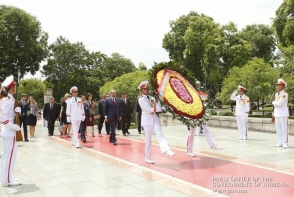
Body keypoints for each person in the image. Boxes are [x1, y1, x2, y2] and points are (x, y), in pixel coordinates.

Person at [138, 81, 175, 164]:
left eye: (148, 89)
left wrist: (162, 107)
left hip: (155, 119)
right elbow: (149, 109)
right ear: (142, 90)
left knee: (160, 134)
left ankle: (166, 150)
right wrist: (160, 108)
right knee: (148, 140)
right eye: (145, 89)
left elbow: (157, 106)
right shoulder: (141, 100)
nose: (147, 90)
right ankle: (147, 157)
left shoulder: (152, 98)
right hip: (147, 121)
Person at [0, 75, 22, 186]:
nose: (16, 87)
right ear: (12, 87)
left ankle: (8, 178)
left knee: (7, 155)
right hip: (9, 131)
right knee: (9, 156)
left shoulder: (9, 99)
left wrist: (16, 111)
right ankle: (6, 180)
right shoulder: (8, 100)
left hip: (7, 131)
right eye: (15, 86)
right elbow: (2, 117)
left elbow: (8, 115)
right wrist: (13, 126)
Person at [272, 79, 289, 149]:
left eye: (279, 85)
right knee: (278, 128)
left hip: (283, 113)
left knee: (284, 129)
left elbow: (279, 103)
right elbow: (277, 104)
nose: (277, 86)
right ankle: (279, 142)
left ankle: (285, 142)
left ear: (283, 86)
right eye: (277, 85)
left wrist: (273, 103)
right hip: (277, 113)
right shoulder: (277, 94)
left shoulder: (284, 94)